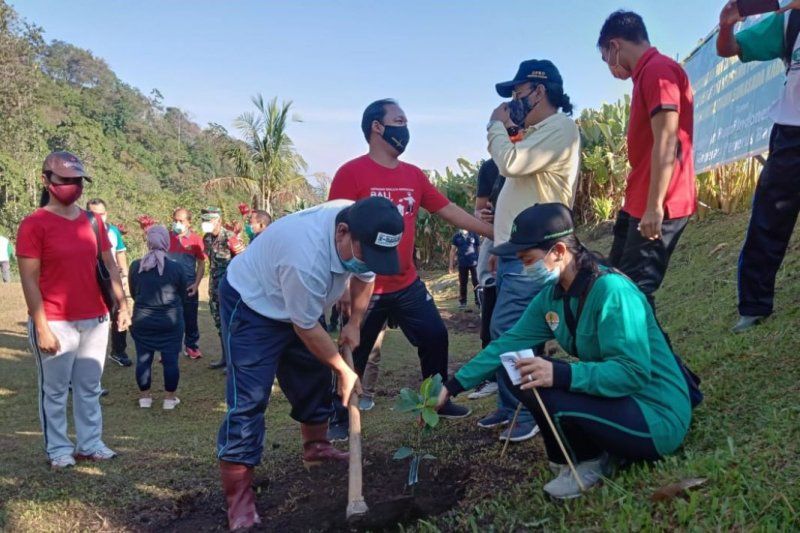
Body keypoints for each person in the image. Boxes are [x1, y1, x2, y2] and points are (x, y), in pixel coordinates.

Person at [437, 203, 692, 499]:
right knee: (523, 373)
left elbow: (632, 373)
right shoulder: (552, 296)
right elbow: (506, 343)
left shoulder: (612, 291)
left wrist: (562, 373)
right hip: (620, 399)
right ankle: (579, 458)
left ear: (558, 251)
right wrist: (452, 387)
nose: (523, 268)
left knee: (547, 380)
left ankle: (588, 463)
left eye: (527, 259)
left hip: (655, 414)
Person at [216, 197, 403, 531]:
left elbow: (365, 277)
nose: (366, 262)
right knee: (249, 398)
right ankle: (240, 500)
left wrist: (355, 322)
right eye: (363, 255)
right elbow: (304, 326)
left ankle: (316, 447)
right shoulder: (304, 256)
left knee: (313, 376)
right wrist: (344, 370)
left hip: (301, 302)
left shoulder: (365, 224)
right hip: (253, 304)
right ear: (342, 232)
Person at [326, 98, 493, 440]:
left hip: (407, 283)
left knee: (435, 336)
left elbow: (447, 210)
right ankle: (339, 415)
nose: (405, 127)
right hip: (364, 286)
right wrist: (341, 284)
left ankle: (437, 402)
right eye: (398, 120)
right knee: (352, 350)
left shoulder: (414, 175)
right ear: (377, 126)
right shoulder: (350, 173)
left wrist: (492, 231)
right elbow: (334, 228)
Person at [478, 59, 581, 443]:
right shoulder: (536, 131)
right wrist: (499, 248)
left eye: (518, 93)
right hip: (513, 253)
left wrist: (495, 124)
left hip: (535, 254)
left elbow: (511, 163)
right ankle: (513, 407)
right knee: (514, 330)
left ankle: (527, 411)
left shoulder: (560, 128)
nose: (512, 103)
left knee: (510, 331)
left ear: (539, 91)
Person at [16, 151, 130, 469]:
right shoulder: (34, 224)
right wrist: (41, 325)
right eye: (64, 180)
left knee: (89, 387)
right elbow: (28, 278)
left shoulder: (91, 221)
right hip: (55, 321)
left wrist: (122, 304)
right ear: (46, 181)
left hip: (94, 318)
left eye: (77, 181)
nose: (72, 186)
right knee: (53, 390)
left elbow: (109, 265)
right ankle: (58, 449)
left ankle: (90, 442)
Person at [598, 10, 697, 313]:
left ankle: (657, 361)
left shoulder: (658, 70)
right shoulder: (645, 75)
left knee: (634, 297)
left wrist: (655, 206)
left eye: (606, 60)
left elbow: (668, 139)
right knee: (615, 285)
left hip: (660, 204)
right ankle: (630, 357)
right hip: (637, 200)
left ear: (615, 46)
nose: (611, 70)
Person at [717, 1, 800, 332]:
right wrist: (726, 25)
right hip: (791, 132)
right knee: (768, 218)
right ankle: (754, 306)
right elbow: (731, 49)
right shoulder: (787, 20)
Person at [128, 225, 187, 409]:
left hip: (142, 320)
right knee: (171, 361)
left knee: (143, 359)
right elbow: (183, 293)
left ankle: (145, 397)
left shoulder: (136, 266)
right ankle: (169, 399)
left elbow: (132, 291)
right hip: (170, 321)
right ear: (166, 242)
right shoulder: (176, 268)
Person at [87, 198, 132, 367]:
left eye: (102, 214)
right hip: (90, 281)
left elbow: (120, 253)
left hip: (110, 280)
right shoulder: (80, 231)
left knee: (119, 312)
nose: (99, 217)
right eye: (95, 214)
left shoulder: (113, 231)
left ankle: (119, 351)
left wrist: (124, 276)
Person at [200, 207, 246, 370]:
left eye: (208, 220)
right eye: (203, 220)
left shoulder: (230, 237)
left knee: (231, 324)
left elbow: (243, 260)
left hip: (230, 287)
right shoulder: (207, 238)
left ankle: (234, 361)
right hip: (214, 286)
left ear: (217, 220)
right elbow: (209, 262)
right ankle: (224, 358)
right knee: (219, 323)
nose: (204, 224)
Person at [167, 208, 206, 359]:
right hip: (169, 287)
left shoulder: (196, 240)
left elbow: (201, 264)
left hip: (189, 285)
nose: (177, 223)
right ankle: (169, 349)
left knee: (190, 318)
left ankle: (191, 346)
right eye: (175, 220)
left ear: (189, 223)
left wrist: (196, 284)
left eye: (181, 221)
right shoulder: (166, 237)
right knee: (170, 318)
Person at [449, 229, 480, 310]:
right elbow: (452, 251)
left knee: (476, 282)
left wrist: (481, 261)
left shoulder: (474, 234)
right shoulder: (456, 236)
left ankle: (479, 301)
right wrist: (451, 265)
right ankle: (463, 302)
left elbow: (479, 248)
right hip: (462, 264)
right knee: (463, 283)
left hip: (474, 263)